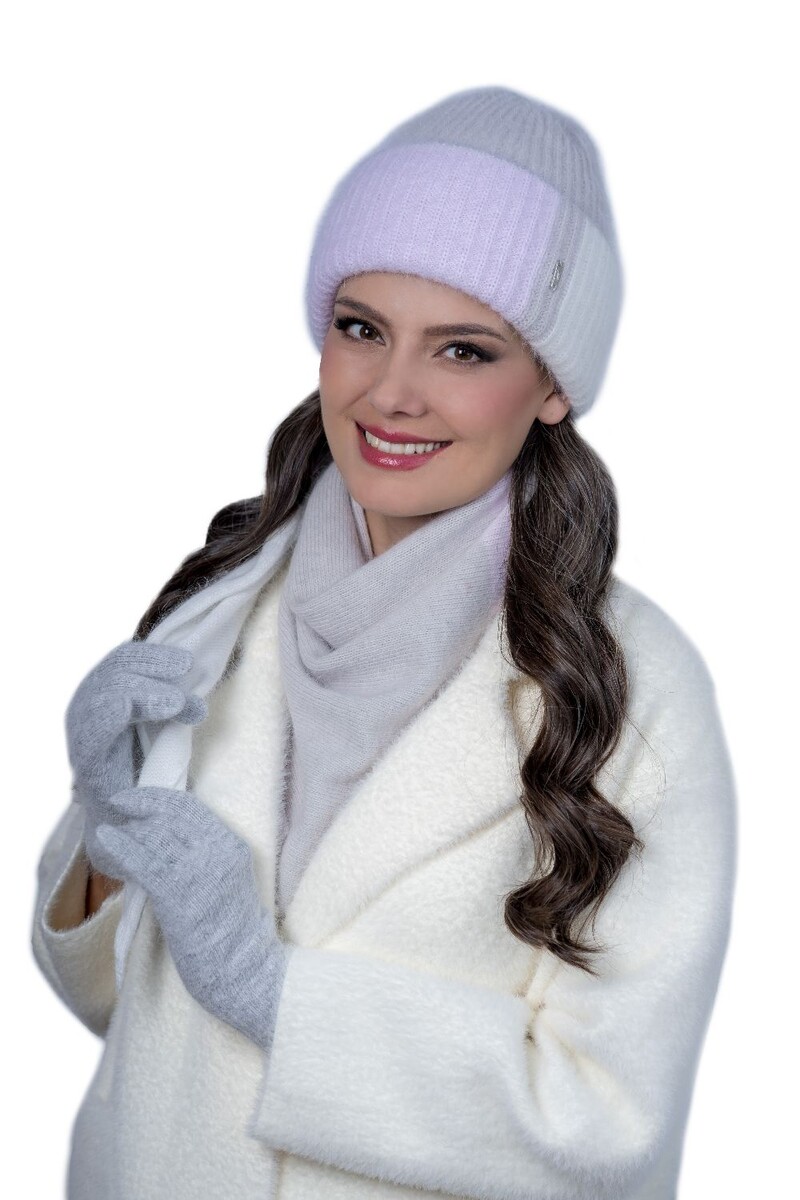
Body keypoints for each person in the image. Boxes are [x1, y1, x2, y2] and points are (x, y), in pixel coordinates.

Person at [30, 85, 737, 1200]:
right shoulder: (224, 605)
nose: (391, 393)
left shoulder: (634, 691)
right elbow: (122, 1018)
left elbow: (607, 1125)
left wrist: (273, 993)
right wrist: (103, 835)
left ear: (551, 386)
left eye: (463, 350)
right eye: (361, 328)